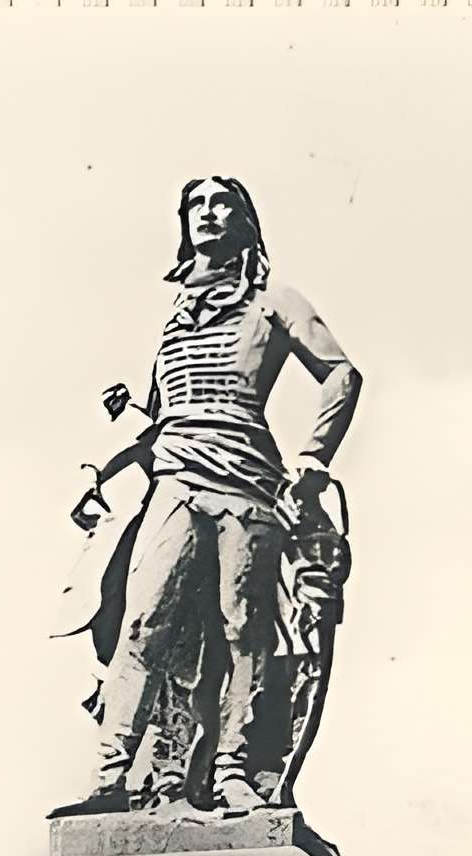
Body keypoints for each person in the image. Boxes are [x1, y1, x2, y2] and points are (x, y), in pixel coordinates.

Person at [72, 177, 362, 814]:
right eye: (195, 205)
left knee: (244, 630)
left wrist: (314, 458)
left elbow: (340, 371)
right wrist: (123, 421)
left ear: (245, 218)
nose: (207, 213)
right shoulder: (172, 316)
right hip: (176, 477)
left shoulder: (273, 301)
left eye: (220, 202)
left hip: (246, 480)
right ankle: (111, 776)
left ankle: (234, 770)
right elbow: (161, 410)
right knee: (144, 622)